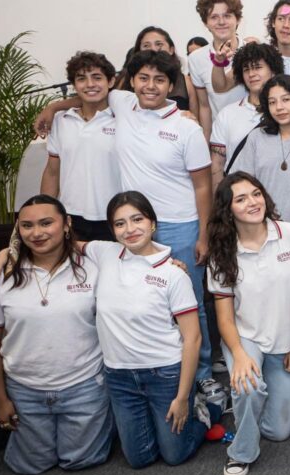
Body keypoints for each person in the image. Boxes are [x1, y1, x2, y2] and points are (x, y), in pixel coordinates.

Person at [35, 50, 219, 394]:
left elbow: (203, 185)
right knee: (142, 300)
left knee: (189, 303)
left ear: (171, 85)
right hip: (133, 226)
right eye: (143, 78)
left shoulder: (186, 127)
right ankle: (154, 370)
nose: (151, 86)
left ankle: (202, 373)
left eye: (160, 80)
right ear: (131, 81)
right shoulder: (122, 103)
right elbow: (88, 95)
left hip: (180, 225)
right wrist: (53, 107)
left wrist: (204, 235)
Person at [85, 192, 220, 468]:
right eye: (120, 223)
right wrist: (8, 252)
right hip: (120, 376)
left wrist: (181, 398)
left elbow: (193, 339)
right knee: (139, 459)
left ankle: (208, 408)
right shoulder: (104, 253)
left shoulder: (173, 273)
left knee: (174, 455)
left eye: (137, 219)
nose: (130, 229)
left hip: (165, 374)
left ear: (153, 223)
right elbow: (57, 243)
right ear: (112, 230)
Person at [0, 196, 112, 475]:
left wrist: (174, 267)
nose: (37, 233)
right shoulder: (0, 274)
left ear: (66, 224)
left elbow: (136, 260)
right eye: (27, 226)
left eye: (46, 223)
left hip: (84, 385)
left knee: (81, 461)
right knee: (30, 466)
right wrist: (1, 400)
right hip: (25, 389)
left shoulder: (93, 267)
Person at [208, 173, 290, 475]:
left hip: (286, 341)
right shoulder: (222, 251)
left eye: (256, 194)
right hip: (245, 338)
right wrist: (239, 354)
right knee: (248, 386)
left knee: (278, 432)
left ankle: (244, 407)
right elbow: (224, 318)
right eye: (241, 199)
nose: (252, 202)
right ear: (228, 210)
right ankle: (240, 452)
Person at [230, 75, 290, 245]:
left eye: (286, 100)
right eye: (272, 102)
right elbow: (240, 183)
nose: (279, 107)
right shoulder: (257, 137)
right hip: (262, 231)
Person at [41, 51, 120, 241]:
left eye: (97, 77)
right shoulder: (60, 120)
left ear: (110, 81)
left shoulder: (124, 118)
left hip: (116, 215)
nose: (90, 84)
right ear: (74, 85)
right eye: (81, 79)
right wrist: (45, 211)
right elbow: (52, 172)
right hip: (71, 215)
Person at [210, 43, 284, 188]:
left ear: (273, 70)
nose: (251, 74)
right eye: (246, 69)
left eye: (257, 67)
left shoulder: (286, 112)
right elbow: (217, 164)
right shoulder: (227, 114)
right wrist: (219, 198)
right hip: (238, 194)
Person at [186, 0, 248, 139]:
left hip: (251, 132)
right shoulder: (196, 58)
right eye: (214, 17)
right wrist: (207, 141)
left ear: (238, 19)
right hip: (219, 135)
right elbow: (204, 106)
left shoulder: (252, 52)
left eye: (227, 16)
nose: (221, 22)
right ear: (206, 23)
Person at [117, 27, 199, 114]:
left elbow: (194, 116)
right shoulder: (124, 81)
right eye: (146, 45)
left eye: (159, 44)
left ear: (171, 49)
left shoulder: (186, 82)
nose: (153, 49)